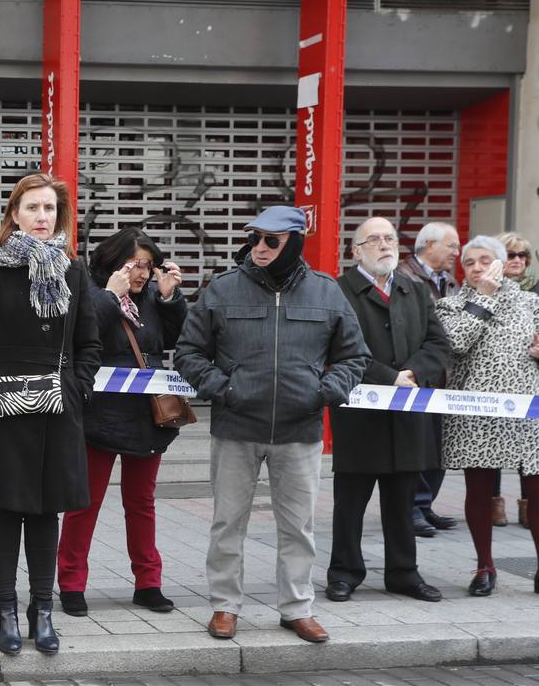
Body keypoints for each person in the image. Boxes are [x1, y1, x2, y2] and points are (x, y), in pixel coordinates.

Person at [174, 205, 369, 644]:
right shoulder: (223, 289)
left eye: (271, 241)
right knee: (227, 522)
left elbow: (354, 356)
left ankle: (297, 608)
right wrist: (225, 388)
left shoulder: (326, 292)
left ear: (294, 243)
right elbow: (188, 352)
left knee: (298, 526)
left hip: (300, 431)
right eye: (255, 238)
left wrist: (324, 392)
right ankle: (225, 606)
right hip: (236, 427)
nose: (259, 248)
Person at [0, 172, 101, 657]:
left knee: (45, 510)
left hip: (57, 412)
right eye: (32, 208)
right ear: (14, 214)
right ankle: (5, 610)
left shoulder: (74, 271)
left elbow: (89, 344)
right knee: (5, 508)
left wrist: (74, 391)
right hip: (0, 411)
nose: (42, 217)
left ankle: (43, 610)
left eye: (49, 209)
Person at [56, 227, 186, 617]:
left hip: (147, 418)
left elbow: (175, 339)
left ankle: (148, 582)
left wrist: (170, 299)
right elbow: (82, 334)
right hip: (98, 416)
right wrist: (111, 296)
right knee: (85, 503)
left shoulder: (151, 298)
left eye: (148, 265)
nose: (142, 273)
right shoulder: (91, 291)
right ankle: (71, 582)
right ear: (114, 262)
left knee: (142, 502)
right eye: (135, 264)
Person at [325, 218, 449, 604]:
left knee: (402, 504)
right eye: (374, 239)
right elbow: (336, 349)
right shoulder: (338, 291)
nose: (384, 245)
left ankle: (403, 573)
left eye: (390, 238)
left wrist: (412, 372)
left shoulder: (414, 289)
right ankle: (344, 572)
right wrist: (388, 377)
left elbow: (437, 343)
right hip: (361, 419)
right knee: (351, 505)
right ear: (356, 250)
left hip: (408, 416)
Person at [435, 235, 539, 597]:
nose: (477, 268)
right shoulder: (451, 305)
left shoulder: (530, 302)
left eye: (485, 260)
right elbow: (456, 343)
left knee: (537, 489)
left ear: (499, 263)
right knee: (478, 489)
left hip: (528, 413)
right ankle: (485, 567)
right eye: (469, 263)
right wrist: (484, 297)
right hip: (475, 413)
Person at [396, 221, 463, 535]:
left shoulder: (449, 281)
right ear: (430, 244)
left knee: (438, 447)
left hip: (443, 377)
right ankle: (410, 509)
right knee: (416, 445)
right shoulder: (404, 276)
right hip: (416, 374)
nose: (456, 252)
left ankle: (425, 505)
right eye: (452, 245)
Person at [497, 231, 539, 528]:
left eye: (523, 255)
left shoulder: (536, 290)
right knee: (493, 444)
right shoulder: (486, 288)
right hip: (496, 379)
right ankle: (493, 504)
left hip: (530, 377)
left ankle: (528, 507)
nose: (518, 261)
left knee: (529, 446)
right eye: (511, 255)